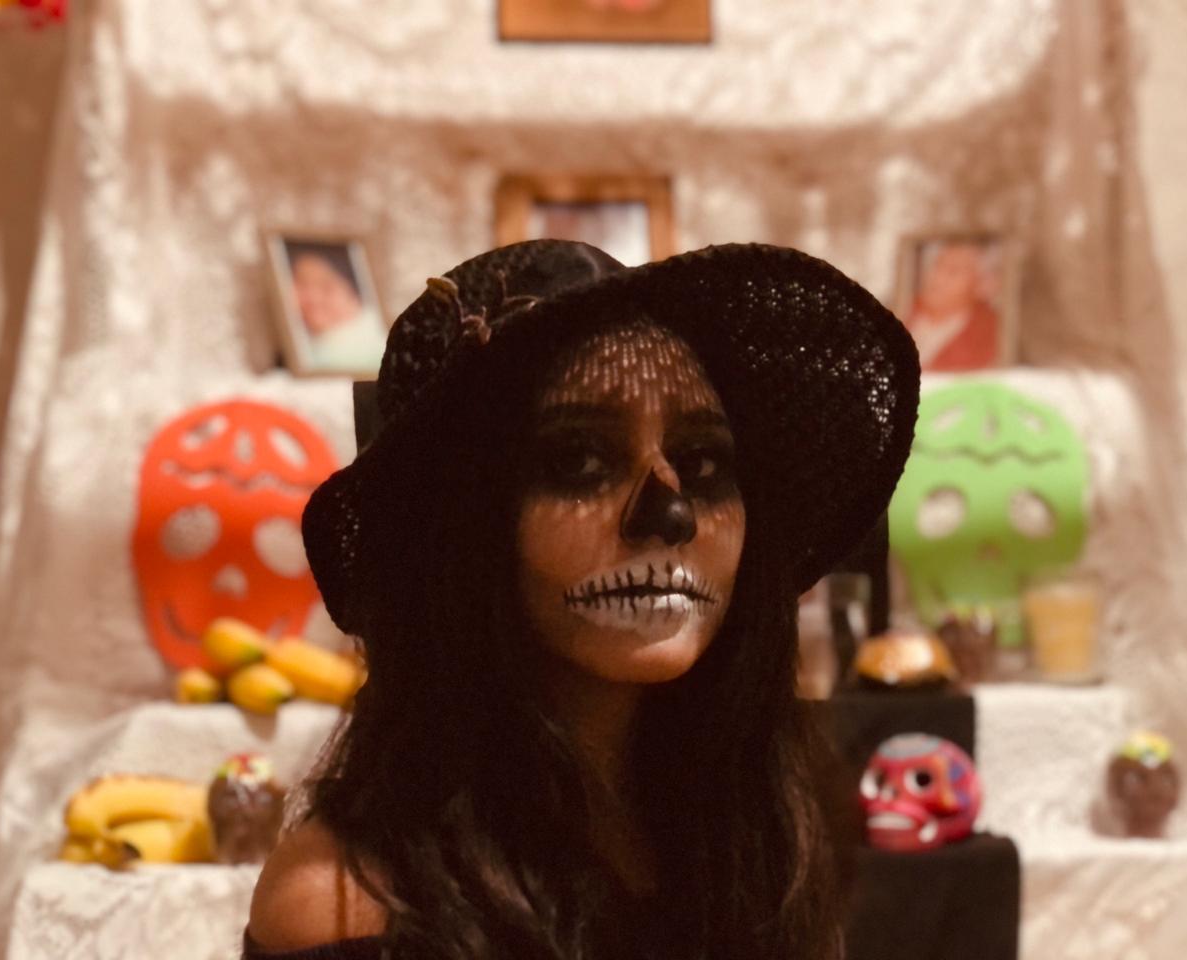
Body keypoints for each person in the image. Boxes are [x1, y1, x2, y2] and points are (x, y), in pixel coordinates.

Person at [247, 240, 920, 959]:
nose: (670, 515)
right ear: (463, 525)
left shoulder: (761, 835)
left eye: (702, 463)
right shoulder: (348, 903)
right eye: (578, 459)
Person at [286, 241, 387, 372]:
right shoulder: (304, 342)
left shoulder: (369, 345)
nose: (313, 297)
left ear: (354, 296)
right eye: (302, 284)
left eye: (326, 287)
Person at [905, 241, 1001, 372]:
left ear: (982, 285)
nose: (937, 278)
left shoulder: (988, 335)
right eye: (937, 265)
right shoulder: (905, 312)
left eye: (953, 272)